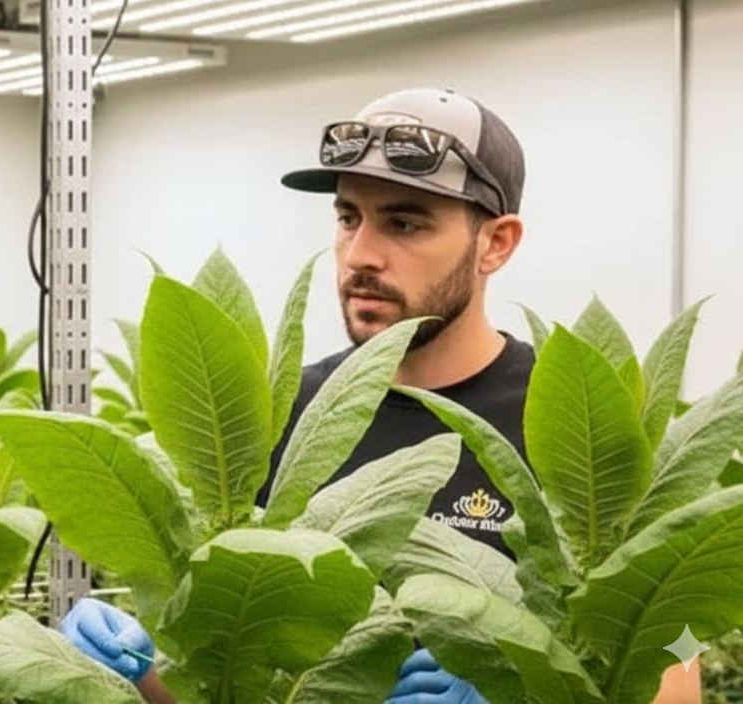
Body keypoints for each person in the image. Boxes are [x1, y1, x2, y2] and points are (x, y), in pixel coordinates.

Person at [57, 87, 702, 703]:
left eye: (405, 223)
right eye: (348, 217)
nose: (360, 254)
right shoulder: (286, 418)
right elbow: (238, 680)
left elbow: (677, 660)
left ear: (495, 244)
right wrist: (137, 667)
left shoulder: (575, 426)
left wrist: (522, 688)